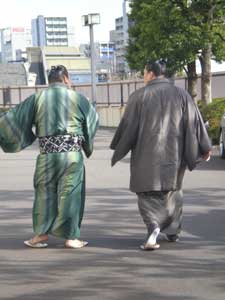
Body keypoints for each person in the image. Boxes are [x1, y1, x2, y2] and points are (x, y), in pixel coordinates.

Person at [110, 59, 211, 250]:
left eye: (144, 73)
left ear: (150, 73)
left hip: (145, 155)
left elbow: (128, 126)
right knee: (172, 191)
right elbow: (194, 124)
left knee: (147, 192)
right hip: (175, 154)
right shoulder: (182, 95)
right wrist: (204, 147)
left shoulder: (138, 96)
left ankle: (153, 227)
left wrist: (119, 146)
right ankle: (172, 232)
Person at [0, 65, 98, 249]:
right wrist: (86, 144)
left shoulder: (37, 98)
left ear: (49, 81)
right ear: (66, 79)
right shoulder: (78, 98)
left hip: (47, 154)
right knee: (71, 194)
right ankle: (71, 237)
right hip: (72, 155)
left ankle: (40, 234)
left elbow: (13, 118)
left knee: (44, 193)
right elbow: (92, 120)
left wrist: (25, 136)